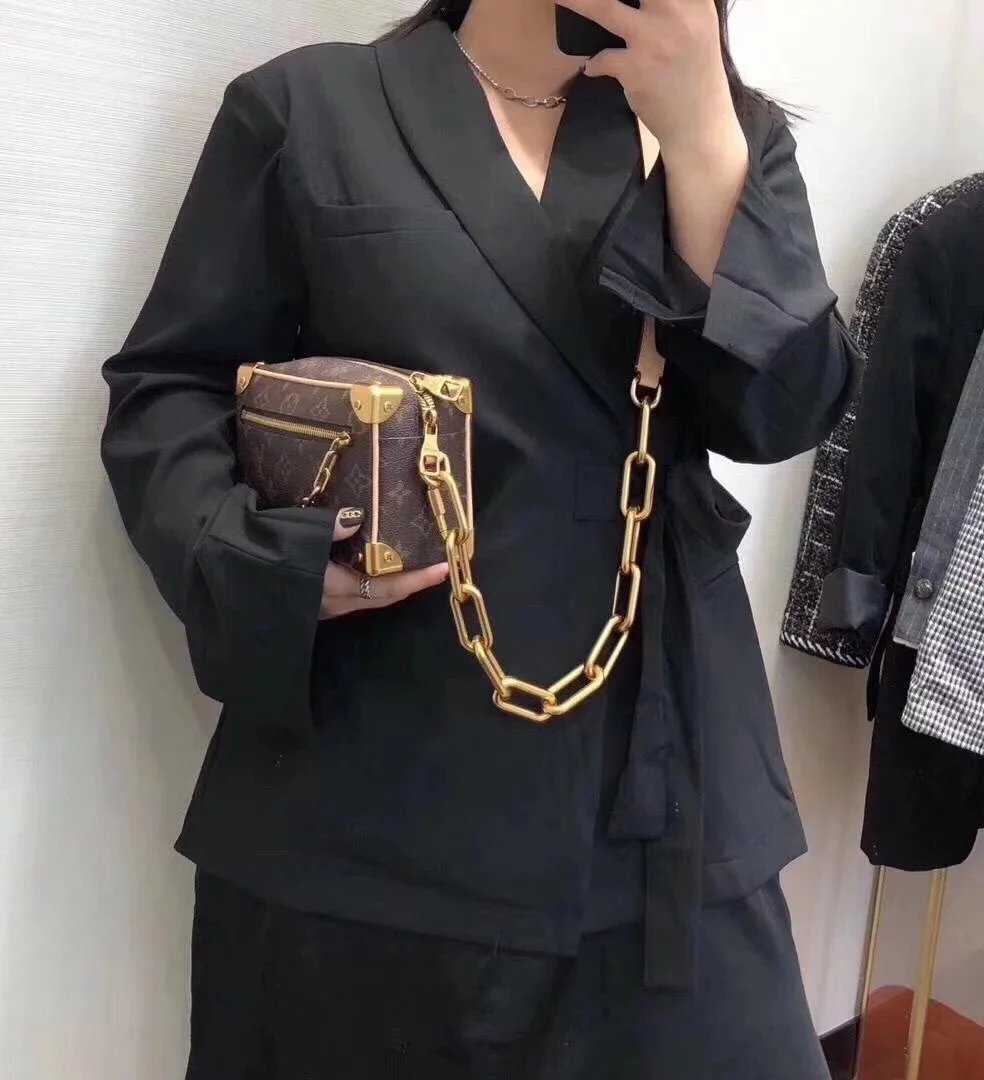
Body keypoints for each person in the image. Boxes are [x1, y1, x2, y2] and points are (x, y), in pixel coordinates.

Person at [100, 1, 856, 1076]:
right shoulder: (311, 109)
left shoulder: (725, 134)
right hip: (368, 806)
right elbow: (167, 392)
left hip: (659, 805)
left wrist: (700, 137)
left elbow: (783, 414)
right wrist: (268, 562)